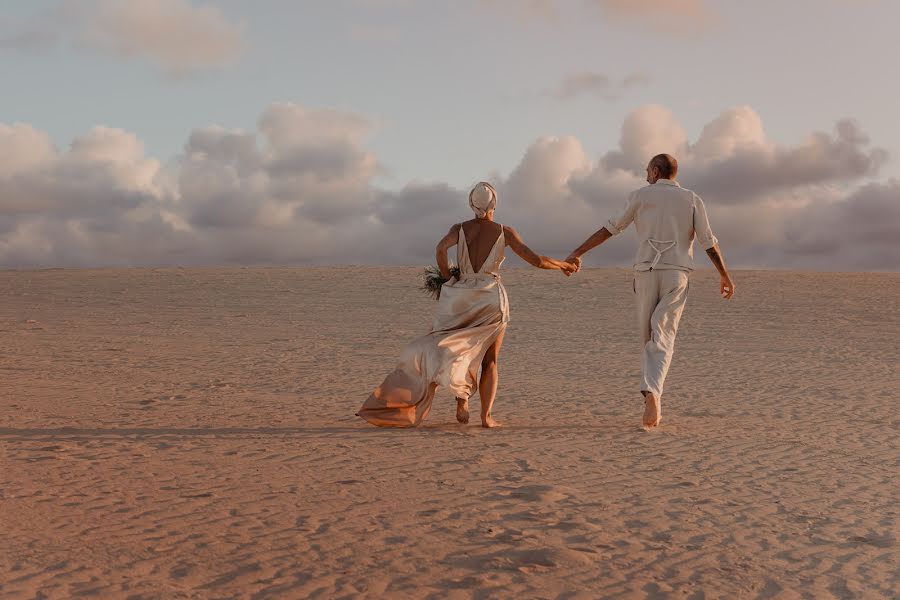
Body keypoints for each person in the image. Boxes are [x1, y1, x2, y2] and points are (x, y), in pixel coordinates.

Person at [357, 182, 577, 428]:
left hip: (460, 296)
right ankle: (486, 417)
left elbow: (441, 249)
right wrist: (566, 266)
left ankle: (461, 397)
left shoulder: (459, 228)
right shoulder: (505, 232)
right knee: (489, 360)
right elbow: (536, 260)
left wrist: (448, 278)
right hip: (490, 297)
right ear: (495, 204)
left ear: (471, 204)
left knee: (453, 349)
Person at [565, 154, 735, 428]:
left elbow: (611, 228)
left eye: (647, 170)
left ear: (656, 171)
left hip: (645, 272)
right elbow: (707, 241)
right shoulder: (692, 199)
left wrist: (577, 252)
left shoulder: (640, 196)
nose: (646, 174)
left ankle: (651, 394)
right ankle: (653, 392)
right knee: (663, 334)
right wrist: (724, 275)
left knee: (649, 337)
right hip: (677, 273)